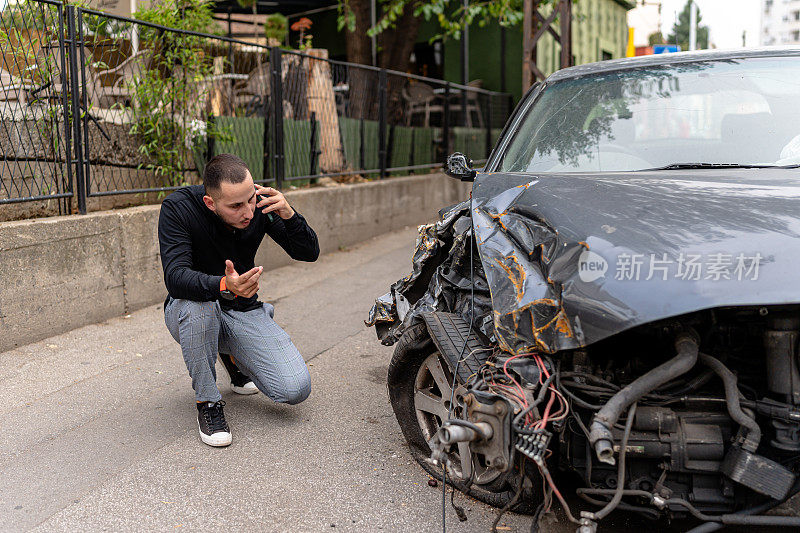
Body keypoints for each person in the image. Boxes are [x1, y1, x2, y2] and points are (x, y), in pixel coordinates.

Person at [158, 153, 319, 447]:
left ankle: (232, 357)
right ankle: (208, 403)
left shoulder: (258, 204)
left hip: (242, 307)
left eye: (249, 199)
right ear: (211, 203)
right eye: (235, 206)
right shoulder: (178, 208)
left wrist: (289, 215)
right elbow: (176, 277)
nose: (247, 211)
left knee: (295, 389)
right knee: (201, 308)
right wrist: (222, 284)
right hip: (191, 307)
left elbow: (308, 252)